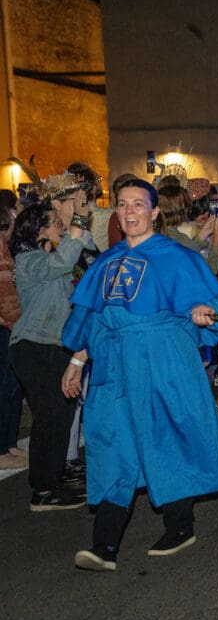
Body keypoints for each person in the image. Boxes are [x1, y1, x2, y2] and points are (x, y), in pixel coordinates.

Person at [60, 179, 218, 572]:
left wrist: (200, 311)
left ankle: (180, 525)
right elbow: (91, 320)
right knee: (112, 443)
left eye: (138, 204)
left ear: (155, 211)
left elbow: (211, 308)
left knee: (166, 439)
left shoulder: (178, 256)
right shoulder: (105, 263)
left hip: (164, 362)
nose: (130, 212)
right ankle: (104, 546)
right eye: (123, 205)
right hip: (114, 366)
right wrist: (77, 361)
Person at [8, 199, 89, 510]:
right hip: (33, 348)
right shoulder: (28, 260)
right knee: (49, 418)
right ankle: (42, 490)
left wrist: (75, 225)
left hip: (57, 349)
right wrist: (77, 221)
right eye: (56, 222)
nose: (62, 227)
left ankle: (52, 483)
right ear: (37, 229)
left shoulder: (55, 261)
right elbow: (64, 261)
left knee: (61, 417)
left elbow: (77, 257)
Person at [0, 200, 23, 470]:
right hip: (6, 325)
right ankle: (2, 447)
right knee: (6, 387)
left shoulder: (6, 246)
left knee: (14, 386)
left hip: (12, 324)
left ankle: (10, 443)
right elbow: (5, 294)